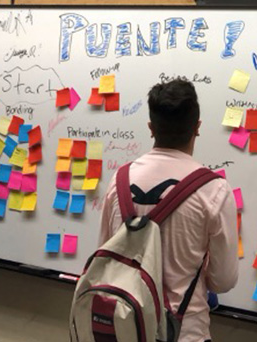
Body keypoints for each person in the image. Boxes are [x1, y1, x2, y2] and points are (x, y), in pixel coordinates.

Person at [99, 79, 238, 342]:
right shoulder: (215, 190)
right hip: (185, 333)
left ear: (151, 128)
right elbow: (223, 280)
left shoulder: (119, 181)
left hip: (126, 328)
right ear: (197, 128)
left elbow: (106, 259)